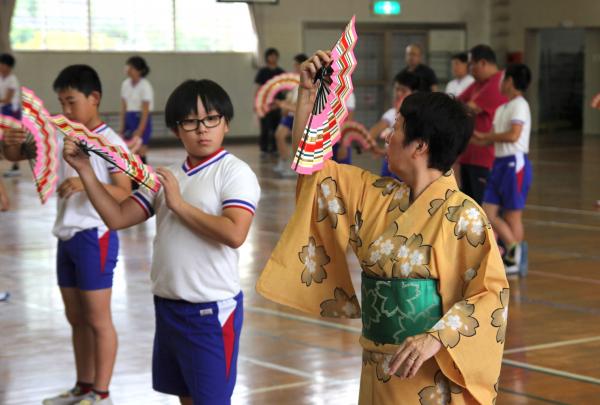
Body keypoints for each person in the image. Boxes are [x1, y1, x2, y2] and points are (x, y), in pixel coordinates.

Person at [257, 50, 508, 404]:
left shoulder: (464, 217)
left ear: (419, 146)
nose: (387, 136)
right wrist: (309, 95)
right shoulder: (377, 195)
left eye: (397, 129)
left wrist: (435, 337)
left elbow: (490, 297)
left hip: (426, 376)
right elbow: (312, 165)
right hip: (376, 368)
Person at [63, 79, 260, 405]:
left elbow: (235, 233)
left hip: (210, 313)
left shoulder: (234, 173)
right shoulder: (166, 176)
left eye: (211, 119)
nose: (202, 129)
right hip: (168, 307)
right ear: (176, 129)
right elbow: (116, 217)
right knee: (186, 397)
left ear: (226, 123)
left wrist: (179, 205)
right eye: (191, 122)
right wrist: (85, 170)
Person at [3, 65, 132, 405]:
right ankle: (83, 387)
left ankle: (101, 394)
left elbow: (124, 191)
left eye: (72, 101)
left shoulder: (110, 143)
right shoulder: (61, 134)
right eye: (61, 102)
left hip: (95, 235)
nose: (66, 110)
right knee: (76, 318)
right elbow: (18, 154)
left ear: (95, 98)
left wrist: (84, 180)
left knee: (97, 319)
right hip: (66, 236)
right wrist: (10, 142)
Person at [475, 63, 532, 276]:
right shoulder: (502, 108)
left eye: (503, 78)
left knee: (512, 216)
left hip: (514, 164)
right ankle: (515, 252)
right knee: (488, 212)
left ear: (509, 81)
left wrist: (486, 137)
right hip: (499, 164)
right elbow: (490, 139)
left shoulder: (520, 105)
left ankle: (515, 257)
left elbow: (513, 135)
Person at [457, 44, 508, 204]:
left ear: (483, 63)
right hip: (468, 155)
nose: (470, 69)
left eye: (471, 65)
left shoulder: (497, 83)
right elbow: (457, 102)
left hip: (483, 158)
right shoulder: (479, 83)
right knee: (468, 206)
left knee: (481, 209)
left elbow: (467, 108)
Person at [369, 71, 419, 177]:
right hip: (388, 162)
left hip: (404, 165)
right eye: (397, 89)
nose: (399, 94)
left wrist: (382, 151)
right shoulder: (391, 113)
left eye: (403, 91)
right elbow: (376, 130)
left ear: (414, 93)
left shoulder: (416, 117)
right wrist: (369, 143)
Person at [273, 53, 308, 178]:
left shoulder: (308, 81)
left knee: (297, 142)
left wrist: (285, 105)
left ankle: (293, 166)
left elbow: (301, 105)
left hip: (299, 116)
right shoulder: (295, 81)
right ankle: (283, 161)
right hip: (290, 115)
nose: (294, 67)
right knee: (279, 135)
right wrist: (283, 105)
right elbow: (291, 101)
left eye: (296, 64)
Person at [119, 56, 154, 163]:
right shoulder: (125, 84)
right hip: (130, 118)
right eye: (127, 66)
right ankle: (131, 178)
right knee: (129, 151)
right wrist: (122, 128)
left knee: (140, 150)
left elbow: (145, 110)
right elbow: (124, 107)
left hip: (141, 119)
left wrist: (140, 130)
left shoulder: (145, 85)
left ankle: (144, 178)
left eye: (131, 67)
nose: (128, 69)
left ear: (139, 70)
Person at [255, 48, 285, 156]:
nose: (273, 58)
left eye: (275, 55)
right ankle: (264, 149)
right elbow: (258, 88)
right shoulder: (262, 72)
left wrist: (282, 103)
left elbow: (283, 88)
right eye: (270, 55)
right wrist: (257, 104)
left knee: (277, 126)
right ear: (267, 57)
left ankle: (275, 149)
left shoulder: (281, 72)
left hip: (277, 104)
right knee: (265, 127)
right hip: (264, 104)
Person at [0, 53, 22, 177]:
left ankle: (15, 166)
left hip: (11, 111)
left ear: (9, 67)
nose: (1, 67)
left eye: (3, 65)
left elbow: (7, 99)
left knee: (13, 139)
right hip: (2, 110)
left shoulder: (12, 80)